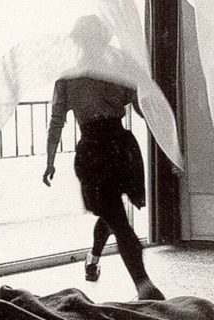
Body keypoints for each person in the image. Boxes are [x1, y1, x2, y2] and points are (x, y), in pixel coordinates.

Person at [42, 15, 165, 301]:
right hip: (104, 151)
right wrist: (49, 160)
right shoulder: (75, 77)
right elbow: (57, 121)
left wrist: (164, 140)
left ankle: (108, 265)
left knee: (113, 215)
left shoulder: (106, 73)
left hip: (112, 149)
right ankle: (141, 283)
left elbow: (142, 107)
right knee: (116, 217)